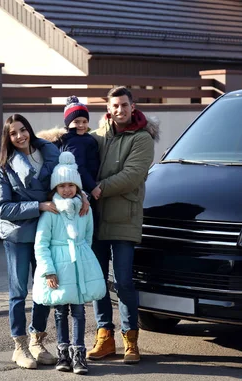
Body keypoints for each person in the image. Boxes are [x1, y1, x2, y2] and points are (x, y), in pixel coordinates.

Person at [0, 114, 89, 369]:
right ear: (8, 138)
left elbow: (66, 182)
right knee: (19, 291)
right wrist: (39, 205)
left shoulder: (51, 154)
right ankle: (20, 346)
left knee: (44, 288)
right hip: (18, 235)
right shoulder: (5, 167)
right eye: (13, 133)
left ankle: (37, 340)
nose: (20, 136)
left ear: (29, 130)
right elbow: (2, 208)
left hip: (48, 233)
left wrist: (83, 195)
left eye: (23, 130)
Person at [87, 86, 159, 364]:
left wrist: (98, 188)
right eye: (115, 105)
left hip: (124, 220)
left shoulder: (142, 138)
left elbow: (132, 175)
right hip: (95, 220)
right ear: (109, 107)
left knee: (124, 282)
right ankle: (105, 337)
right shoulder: (98, 135)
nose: (120, 110)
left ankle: (131, 340)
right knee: (97, 283)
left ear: (133, 106)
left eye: (124, 105)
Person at [32, 151, 106, 375]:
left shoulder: (84, 209)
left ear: (77, 187)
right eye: (62, 185)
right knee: (60, 311)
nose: (66, 190)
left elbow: (88, 238)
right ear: (55, 188)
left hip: (79, 265)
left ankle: (79, 353)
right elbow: (41, 244)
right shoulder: (51, 213)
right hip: (59, 267)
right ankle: (63, 351)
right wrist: (48, 271)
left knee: (80, 311)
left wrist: (85, 261)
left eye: (71, 185)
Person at [37, 95, 99, 195]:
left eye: (85, 121)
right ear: (68, 123)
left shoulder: (82, 138)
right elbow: (78, 166)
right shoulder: (75, 141)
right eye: (76, 122)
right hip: (81, 188)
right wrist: (92, 187)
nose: (81, 125)